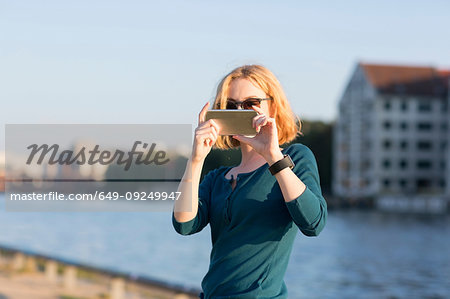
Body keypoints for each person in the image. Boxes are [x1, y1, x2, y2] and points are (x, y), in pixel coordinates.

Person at [172, 65, 327, 299]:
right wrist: (196, 160)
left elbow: (314, 223)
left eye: (251, 103)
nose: (240, 111)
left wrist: (273, 156)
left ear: (272, 106)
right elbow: (184, 224)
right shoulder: (217, 177)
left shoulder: (295, 158)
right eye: (231, 106)